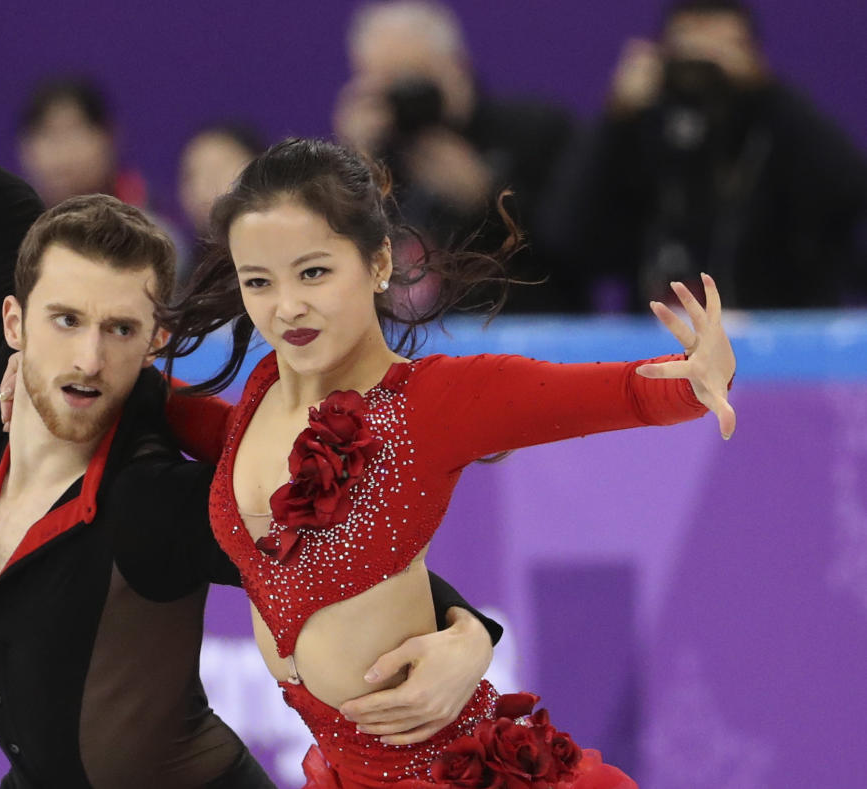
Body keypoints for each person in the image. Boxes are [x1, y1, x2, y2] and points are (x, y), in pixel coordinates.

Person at [0, 41, 503, 788]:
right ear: (14, 326)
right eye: (66, 321)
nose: (87, 358)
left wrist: (467, 630)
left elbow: (339, 536)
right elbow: (3, 207)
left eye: (120, 330)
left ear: (154, 342)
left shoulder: (151, 503)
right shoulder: (7, 401)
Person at [158, 136, 737, 787]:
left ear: (378, 262)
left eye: (313, 272)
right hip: (348, 772)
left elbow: (622, 391)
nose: (286, 305)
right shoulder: (262, 389)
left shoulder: (427, 403)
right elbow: (192, 421)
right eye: (258, 281)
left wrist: (695, 381)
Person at [541, 0, 867, 311]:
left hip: (776, 334)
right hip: (661, 342)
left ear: (751, 55)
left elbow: (850, 193)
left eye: (722, 51)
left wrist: (770, 92)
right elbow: (566, 236)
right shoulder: (641, 132)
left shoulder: (778, 127)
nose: (706, 67)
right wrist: (616, 119)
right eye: (691, 54)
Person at [334, 0, 582, 313]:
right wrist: (354, 165)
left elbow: (574, 246)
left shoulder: (536, 131)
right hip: (408, 341)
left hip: (523, 327)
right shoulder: (371, 153)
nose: (405, 97)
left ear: (456, 65)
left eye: (414, 79)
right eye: (387, 84)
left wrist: (488, 198)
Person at [16, 76, 150, 208]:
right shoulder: (8, 223)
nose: (62, 153)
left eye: (74, 131)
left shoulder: (147, 223)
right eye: (47, 134)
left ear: (108, 137)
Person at [177, 122, 267, 281]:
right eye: (191, 176)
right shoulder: (182, 278)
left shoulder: (286, 252)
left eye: (217, 171)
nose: (201, 188)